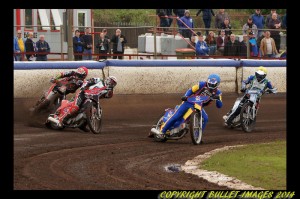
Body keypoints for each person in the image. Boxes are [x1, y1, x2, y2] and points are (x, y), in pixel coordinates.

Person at [151, 74, 223, 136]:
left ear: (217, 84)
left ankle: (198, 135)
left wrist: (218, 99)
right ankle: (162, 132)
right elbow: (191, 90)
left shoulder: (218, 93)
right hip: (189, 102)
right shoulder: (201, 84)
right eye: (210, 83)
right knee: (176, 116)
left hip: (199, 106)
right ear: (207, 81)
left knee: (205, 118)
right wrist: (185, 96)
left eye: (213, 84)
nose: (211, 86)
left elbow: (219, 106)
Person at [47, 76, 117, 131]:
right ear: (107, 79)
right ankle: (61, 119)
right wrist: (84, 87)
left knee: (92, 111)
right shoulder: (98, 80)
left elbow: (107, 96)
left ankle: (82, 125)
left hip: (92, 99)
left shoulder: (108, 90)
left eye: (113, 83)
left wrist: (109, 92)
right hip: (83, 93)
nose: (111, 83)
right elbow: (88, 81)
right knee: (75, 107)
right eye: (111, 81)